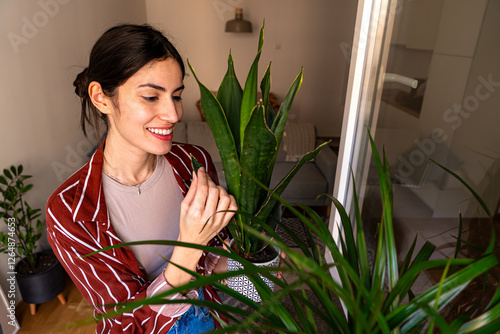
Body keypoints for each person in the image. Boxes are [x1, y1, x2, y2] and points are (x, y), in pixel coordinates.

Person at [46, 24, 237, 334]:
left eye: (176, 96)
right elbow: (127, 323)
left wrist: (255, 268)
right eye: (151, 97)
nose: (174, 114)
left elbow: (211, 262)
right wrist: (190, 245)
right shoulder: (70, 211)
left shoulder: (193, 163)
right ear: (101, 97)